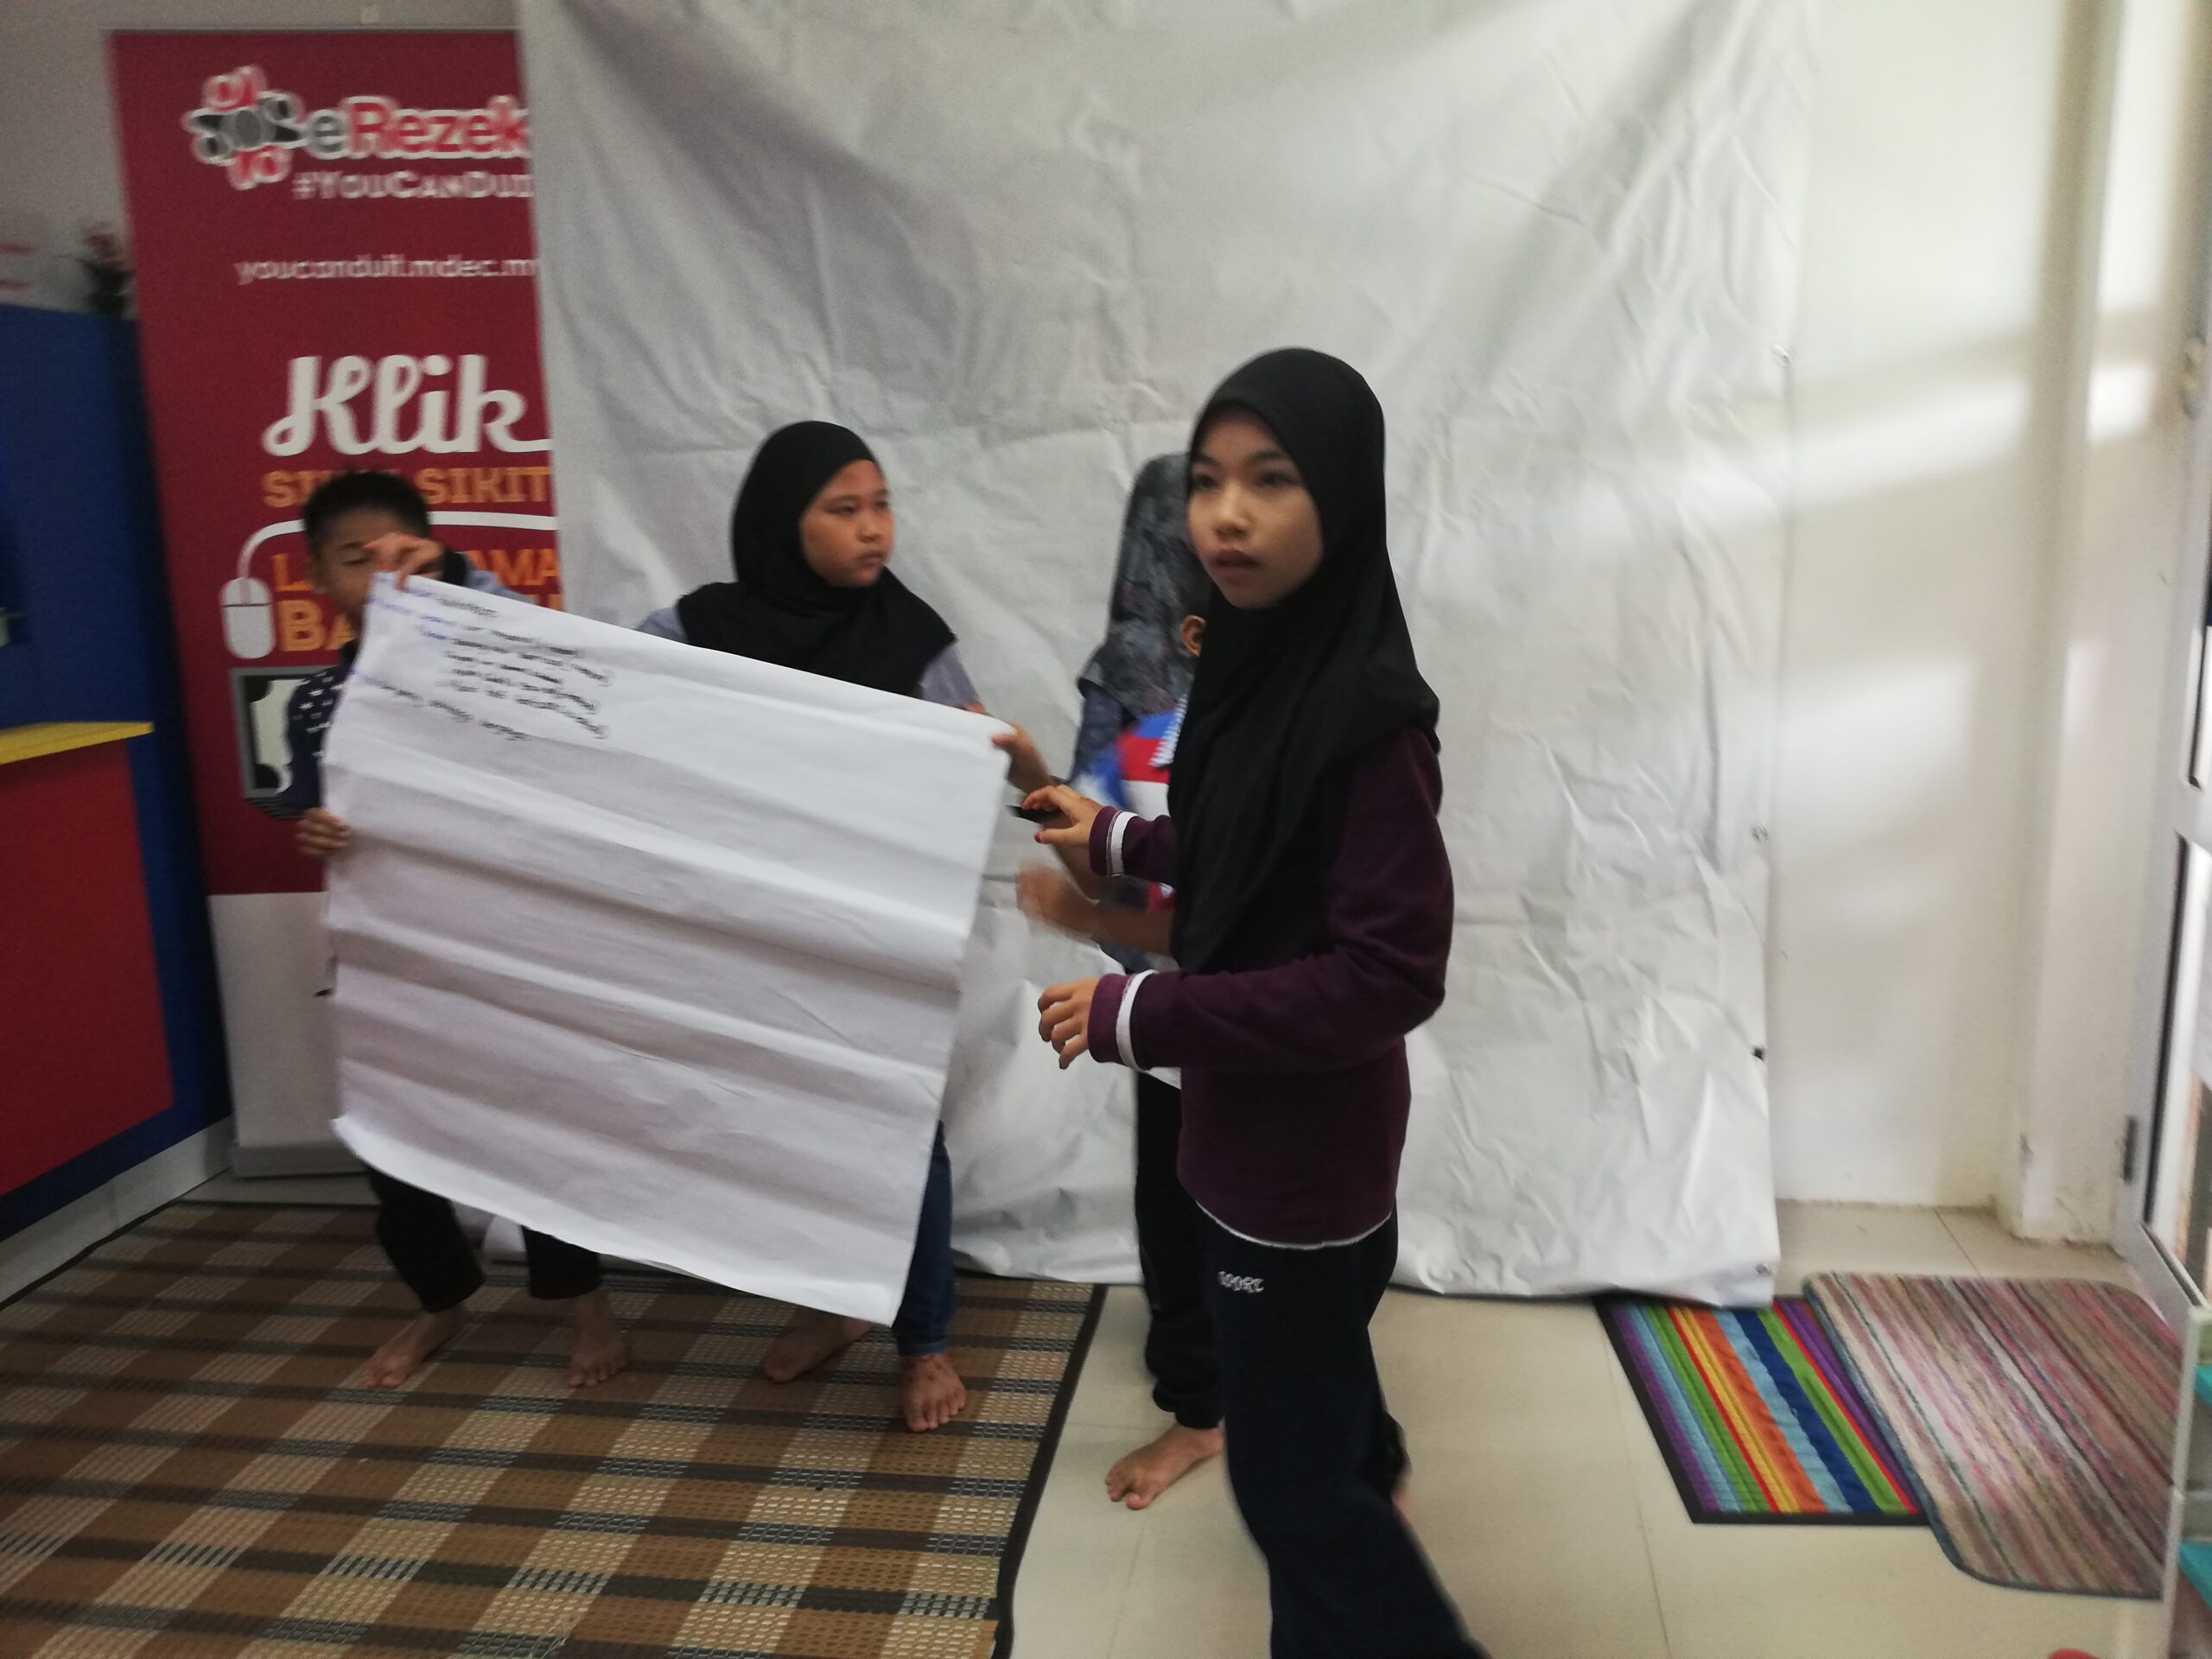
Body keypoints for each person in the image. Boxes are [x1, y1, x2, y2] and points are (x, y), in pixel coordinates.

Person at [1026, 352, 1483, 1657]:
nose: (1225, 514)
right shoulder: (1254, 661)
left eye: (1271, 481)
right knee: (1319, 1420)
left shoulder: (1368, 718)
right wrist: (1115, 837)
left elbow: (1387, 974)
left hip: (1299, 1173)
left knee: (1292, 1497)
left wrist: (1142, 1017)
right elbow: (1248, 839)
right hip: (1252, 1147)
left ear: (1341, 496)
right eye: (1209, 480)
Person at [641, 419, 1052, 1433]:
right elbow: (603, 700)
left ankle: (925, 1341)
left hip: (878, 934)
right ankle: (835, 1304)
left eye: (881, 505)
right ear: (783, 523)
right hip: (753, 934)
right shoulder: (698, 629)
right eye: (844, 509)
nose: (874, 529)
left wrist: (1006, 761)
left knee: (903, 1131)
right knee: (790, 1134)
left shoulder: (909, 637)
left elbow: (976, 760)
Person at [276, 469, 631, 1391]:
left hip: (503, 942)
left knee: (540, 1120)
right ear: (318, 577)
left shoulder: (490, 671)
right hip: (388, 954)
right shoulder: (318, 702)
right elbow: (317, 812)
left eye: (399, 556)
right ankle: (439, 1300)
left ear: (432, 563)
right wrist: (317, 829)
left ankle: (583, 1300)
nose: (379, 575)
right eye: (355, 559)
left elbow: (564, 701)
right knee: (392, 1139)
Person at [1018, 454, 1224, 1510]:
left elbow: (1231, 891)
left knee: (1245, 1200)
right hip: (1176, 1005)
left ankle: (1232, 1392)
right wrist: (1030, 779)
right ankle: (1202, 1399)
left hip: (1255, 997)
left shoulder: (1287, 690)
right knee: (1178, 1194)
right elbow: (1109, 844)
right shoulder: (1143, 686)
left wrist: (1093, 917)